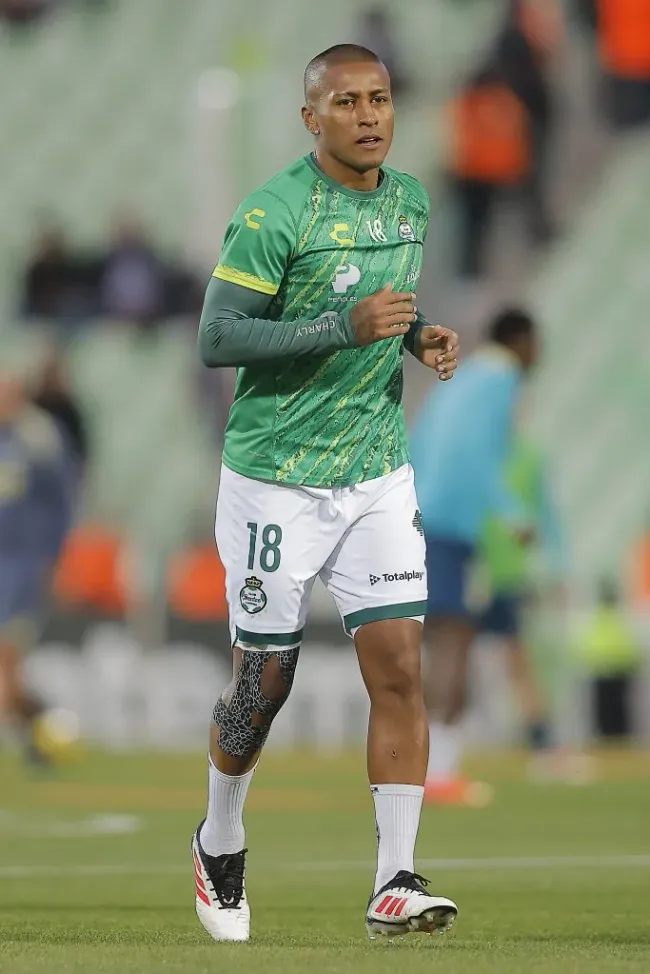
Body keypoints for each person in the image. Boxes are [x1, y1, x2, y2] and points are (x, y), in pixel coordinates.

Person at [194, 44, 460, 944]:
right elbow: (218, 336)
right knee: (264, 682)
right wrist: (336, 329)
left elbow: (382, 305)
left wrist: (415, 336)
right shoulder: (274, 211)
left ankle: (396, 878)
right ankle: (219, 837)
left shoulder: (410, 201)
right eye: (345, 102)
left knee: (399, 665)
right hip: (275, 479)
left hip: (377, 471)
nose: (368, 115)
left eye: (380, 98)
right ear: (313, 119)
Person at [409, 309, 539, 806]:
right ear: (522, 341)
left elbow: (422, 440)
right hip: (452, 522)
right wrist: (510, 512)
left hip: (422, 510)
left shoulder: (461, 379)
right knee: (453, 637)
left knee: (432, 639)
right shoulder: (501, 377)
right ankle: (439, 770)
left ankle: (416, 763)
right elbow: (478, 453)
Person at [476, 433, 565, 774]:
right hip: (473, 565)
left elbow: (544, 514)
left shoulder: (528, 458)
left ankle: (540, 738)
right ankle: (437, 736)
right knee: (459, 653)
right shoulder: (481, 454)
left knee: (517, 659)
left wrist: (554, 566)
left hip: (505, 573)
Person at [0, 369, 74, 763]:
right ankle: (45, 731)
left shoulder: (39, 438)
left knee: (8, 658)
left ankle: (47, 726)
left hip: (22, 566)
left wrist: (52, 555)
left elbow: (61, 501)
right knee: (8, 670)